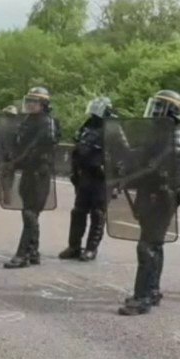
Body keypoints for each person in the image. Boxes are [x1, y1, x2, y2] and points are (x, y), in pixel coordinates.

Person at [118, 90, 180, 316]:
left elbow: (163, 170)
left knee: (147, 246)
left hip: (160, 196)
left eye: (160, 107)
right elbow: (143, 158)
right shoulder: (160, 133)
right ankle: (152, 290)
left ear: (171, 110)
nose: (155, 111)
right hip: (153, 193)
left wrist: (135, 178)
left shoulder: (175, 136)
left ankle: (143, 298)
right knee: (153, 244)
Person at [3, 86, 60, 269]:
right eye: (28, 101)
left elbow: (43, 145)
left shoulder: (47, 122)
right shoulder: (27, 121)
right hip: (28, 171)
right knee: (28, 212)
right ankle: (33, 251)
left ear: (43, 104)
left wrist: (20, 159)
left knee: (30, 213)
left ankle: (23, 254)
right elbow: (19, 144)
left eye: (34, 101)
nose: (29, 104)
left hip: (39, 172)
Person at [59, 97, 114, 261]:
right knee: (78, 212)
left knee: (97, 213)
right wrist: (74, 171)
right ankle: (74, 246)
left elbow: (121, 152)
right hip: (85, 175)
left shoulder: (113, 128)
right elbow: (77, 149)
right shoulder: (87, 126)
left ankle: (91, 248)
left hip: (100, 178)